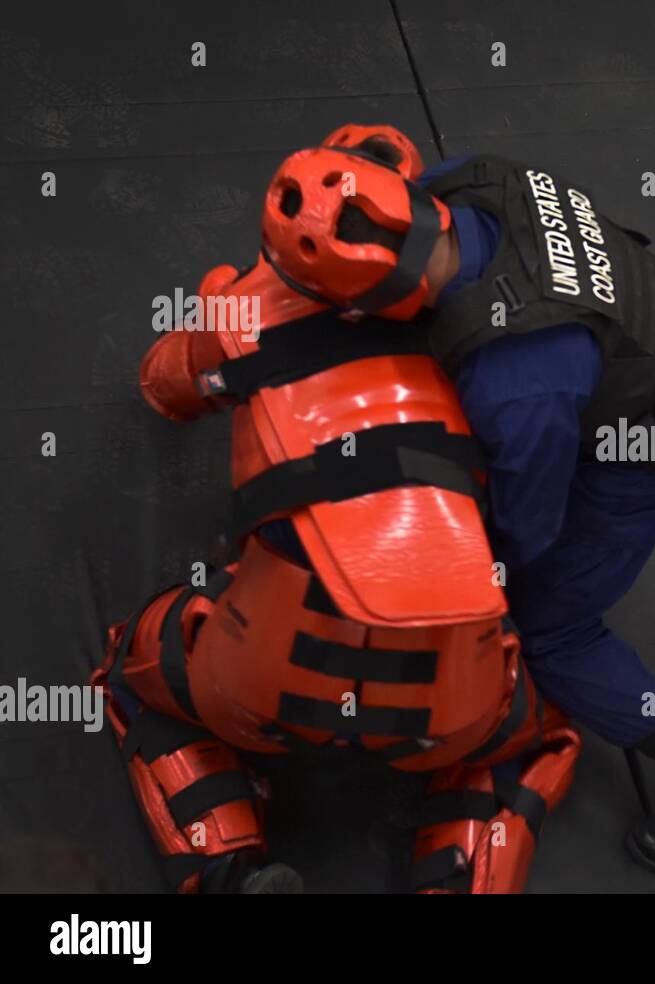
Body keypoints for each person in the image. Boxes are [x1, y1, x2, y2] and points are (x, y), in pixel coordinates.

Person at [259, 126, 655, 875]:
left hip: (653, 452)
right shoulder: (472, 178)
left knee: (551, 628)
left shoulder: (514, 383)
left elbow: (527, 528)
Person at [97, 125, 581, 894]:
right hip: (445, 704)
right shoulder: (502, 338)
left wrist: (224, 312)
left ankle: (227, 867)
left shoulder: (242, 312)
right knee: (530, 731)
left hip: (262, 683)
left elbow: (163, 386)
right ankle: (459, 879)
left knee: (136, 668)